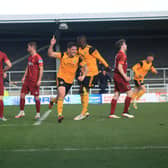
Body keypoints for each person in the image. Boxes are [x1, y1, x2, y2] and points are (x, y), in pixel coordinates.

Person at [48, 36, 87, 123]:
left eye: (75, 50)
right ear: (68, 49)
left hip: (70, 81)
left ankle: (52, 100)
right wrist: (51, 45)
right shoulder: (62, 55)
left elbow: (85, 67)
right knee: (61, 94)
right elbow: (50, 54)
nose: (74, 51)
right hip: (61, 78)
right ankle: (59, 115)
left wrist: (83, 76)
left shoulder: (78, 58)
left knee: (59, 98)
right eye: (73, 49)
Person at [74, 35, 111, 120]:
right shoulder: (78, 50)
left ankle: (83, 113)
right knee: (81, 92)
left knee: (85, 90)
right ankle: (85, 111)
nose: (80, 43)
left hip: (92, 74)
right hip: (83, 74)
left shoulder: (91, 49)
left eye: (81, 41)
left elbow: (100, 57)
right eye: (78, 41)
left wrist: (107, 66)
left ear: (84, 41)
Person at [15, 42, 43, 120]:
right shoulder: (30, 57)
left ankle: (38, 113)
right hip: (27, 80)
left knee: (36, 97)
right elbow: (27, 67)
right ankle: (21, 112)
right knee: (22, 94)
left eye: (28, 47)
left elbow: (41, 69)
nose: (27, 48)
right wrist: (24, 77)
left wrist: (39, 80)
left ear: (32, 47)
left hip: (34, 80)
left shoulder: (38, 57)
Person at [109, 39, 134, 119]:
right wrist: (125, 76)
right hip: (120, 77)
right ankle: (125, 112)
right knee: (130, 93)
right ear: (122, 46)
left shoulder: (118, 54)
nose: (126, 46)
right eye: (125, 44)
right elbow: (120, 67)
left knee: (117, 94)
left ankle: (112, 114)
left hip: (116, 76)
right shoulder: (122, 55)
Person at [0, 51, 12, 121]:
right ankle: (1, 116)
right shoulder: (2, 54)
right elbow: (9, 65)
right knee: (0, 98)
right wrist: (3, 70)